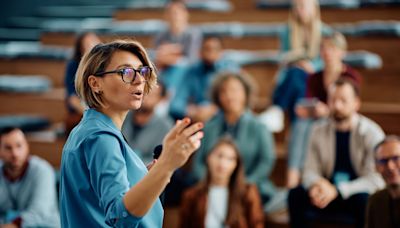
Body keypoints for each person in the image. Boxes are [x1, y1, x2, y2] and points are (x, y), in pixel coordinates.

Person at [59, 40, 204, 227]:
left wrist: (149, 174)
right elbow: (121, 216)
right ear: (95, 83)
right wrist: (167, 165)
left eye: (142, 71)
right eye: (125, 72)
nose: (139, 80)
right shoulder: (100, 137)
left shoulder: (89, 129)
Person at [288, 78, 385, 228]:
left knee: (365, 200)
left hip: (354, 194)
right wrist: (316, 184)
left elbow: (375, 179)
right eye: (333, 100)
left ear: (356, 103)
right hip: (325, 193)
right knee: (295, 195)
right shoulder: (317, 130)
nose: (337, 105)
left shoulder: (372, 133)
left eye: (343, 100)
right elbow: (309, 170)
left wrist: (338, 190)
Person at [286, 32, 362, 188]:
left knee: (307, 126)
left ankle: (296, 178)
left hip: (340, 119)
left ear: (342, 52)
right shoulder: (315, 77)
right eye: (323, 48)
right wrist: (305, 109)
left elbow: (350, 107)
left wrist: (327, 110)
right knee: (301, 124)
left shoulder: (350, 76)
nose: (327, 52)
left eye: (332, 48)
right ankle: (293, 177)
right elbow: (309, 102)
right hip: (317, 120)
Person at [193, 72, 276, 207]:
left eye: (235, 90)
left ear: (246, 93)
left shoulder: (259, 126)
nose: (230, 96)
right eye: (224, 91)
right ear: (218, 97)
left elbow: (266, 161)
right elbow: (198, 163)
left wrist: (244, 184)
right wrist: (211, 183)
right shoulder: (209, 127)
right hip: (211, 188)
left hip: (248, 187)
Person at [180, 137, 264, 228]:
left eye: (230, 159)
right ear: (208, 157)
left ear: (236, 165)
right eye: (219, 156)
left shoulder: (247, 192)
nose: (223, 163)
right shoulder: (192, 195)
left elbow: (257, 224)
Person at [272, 0, 330, 122]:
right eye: (297, 6)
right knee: (296, 77)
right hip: (293, 74)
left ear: (314, 8)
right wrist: (295, 63)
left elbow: (326, 60)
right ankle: (297, 120)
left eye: (304, 6)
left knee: (297, 79)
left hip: (314, 76)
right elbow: (282, 57)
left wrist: (311, 66)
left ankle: (278, 109)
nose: (300, 9)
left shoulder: (324, 32)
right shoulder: (287, 31)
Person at [169, 35, 240, 121]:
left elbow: (236, 101)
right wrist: (190, 111)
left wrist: (214, 109)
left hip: (223, 117)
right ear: (200, 52)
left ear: (221, 52)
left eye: (215, 49)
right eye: (206, 49)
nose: (210, 53)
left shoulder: (230, 71)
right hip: (197, 118)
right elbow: (176, 104)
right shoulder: (192, 72)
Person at [0, 127, 60, 227]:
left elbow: (39, 211)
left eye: (19, 146)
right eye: (8, 148)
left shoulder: (43, 170)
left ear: (27, 146)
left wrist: (12, 225)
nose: (15, 153)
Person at [153, 0, 203, 95]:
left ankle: (168, 96)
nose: (174, 16)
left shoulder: (193, 34)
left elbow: (191, 61)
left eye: (177, 13)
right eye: (170, 12)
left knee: (180, 68)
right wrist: (176, 51)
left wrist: (169, 53)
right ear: (166, 15)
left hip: (187, 73)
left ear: (186, 14)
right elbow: (158, 59)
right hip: (165, 72)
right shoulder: (160, 35)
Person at [122, 82, 173, 164]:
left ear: (161, 99)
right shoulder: (124, 114)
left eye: (153, 95)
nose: (146, 97)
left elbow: (158, 160)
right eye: (144, 92)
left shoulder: (165, 126)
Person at [64, 32, 101, 135]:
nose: (92, 48)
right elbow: (72, 98)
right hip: (82, 111)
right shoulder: (73, 66)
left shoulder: (105, 64)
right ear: (81, 51)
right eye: (87, 45)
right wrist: (91, 114)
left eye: (94, 43)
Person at [366, 136, 400, 228]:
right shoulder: (375, 201)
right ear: (376, 167)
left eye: (396, 158)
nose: (390, 166)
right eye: (383, 161)